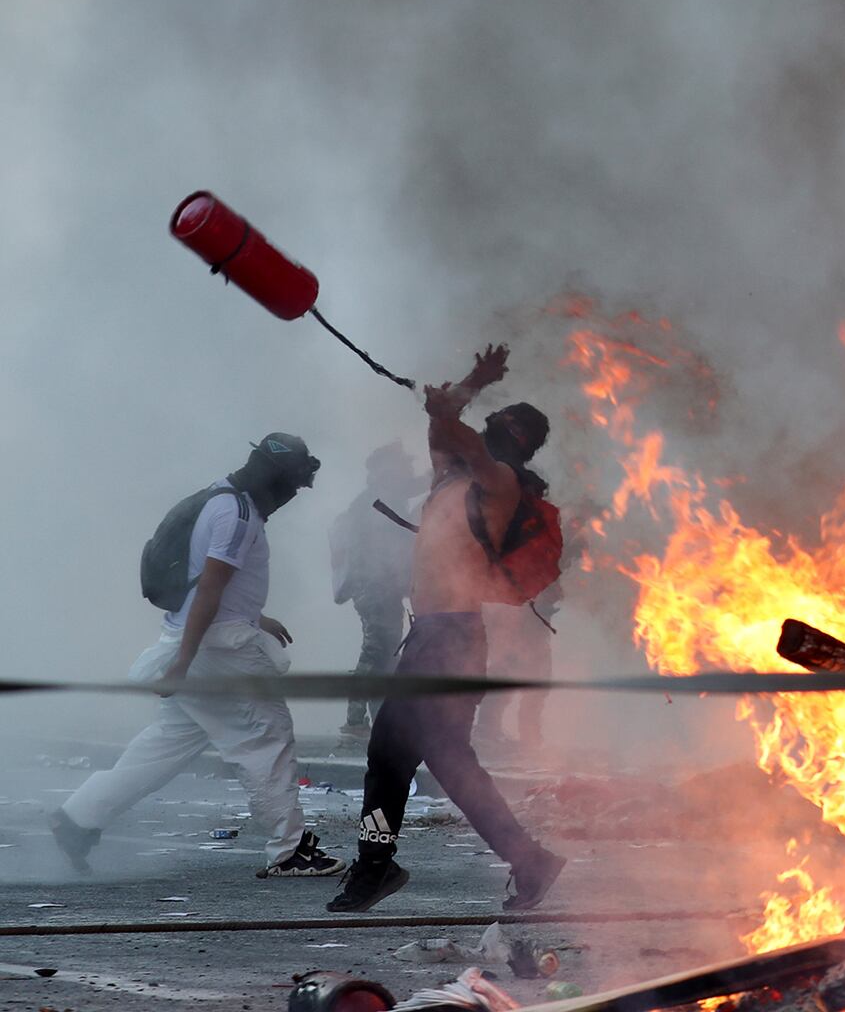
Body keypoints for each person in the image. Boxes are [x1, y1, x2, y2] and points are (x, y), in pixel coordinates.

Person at [328, 345, 566, 913]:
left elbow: (450, 429)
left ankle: (383, 867)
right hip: (432, 637)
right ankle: (384, 865)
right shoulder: (448, 477)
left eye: (499, 434)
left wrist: (457, 401)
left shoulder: (498, 481)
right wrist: (473, 381)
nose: (488, 439)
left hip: (451, 640)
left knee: (424, 759)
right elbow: (442, 427)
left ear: (515, 445)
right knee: (406, 757)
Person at [50, 434, 344, 879]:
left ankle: (78, 819)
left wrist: (254, 617)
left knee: (163, 746)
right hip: (219, 649)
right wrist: (183, 665)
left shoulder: (220, 496)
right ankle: (289, 850)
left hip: (203, 637)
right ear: (277, 478)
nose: (294, 494)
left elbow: (210, 584)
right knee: (267, 737)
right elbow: (209, 587)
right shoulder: (239, 515)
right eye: (294, 482)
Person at [331, 442, 426, 739]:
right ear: (386, 469)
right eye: (402, 463)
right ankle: (355, 721)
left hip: (381, 587)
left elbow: (418, 485)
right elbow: (386, 549)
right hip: (375, 587)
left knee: (384, 652)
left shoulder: (381, 495)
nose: (408, 469)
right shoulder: (376, 499)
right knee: (376, 651)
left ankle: (375, 718)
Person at [478, 579, 563, 755]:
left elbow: (556, 590)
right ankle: (487, 732)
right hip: (516, 622)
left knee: (537, 684)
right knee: (506, 675)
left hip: (534, 622)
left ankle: (529, 738)